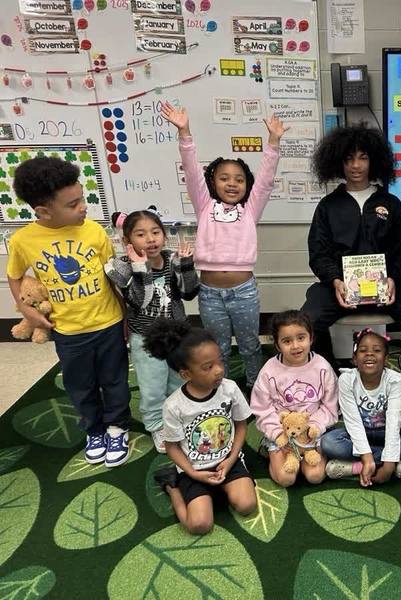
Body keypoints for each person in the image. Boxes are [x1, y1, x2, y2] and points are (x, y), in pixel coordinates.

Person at [301, 123, 401, 401]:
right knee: (308, 322)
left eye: (363, 158)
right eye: (349, 159)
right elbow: (318, 253)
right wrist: (335, 280)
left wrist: (394, 279)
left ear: (374, 161)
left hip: (387, 288)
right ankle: (329, 376)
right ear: (338, 162)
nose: (356, 165)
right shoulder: (328, 206)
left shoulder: (390, 203)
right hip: (340, 288)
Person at [6, 157, 131, 466]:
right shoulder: (23, 240)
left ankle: (117, 427)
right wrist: (27, 311)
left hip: (108, 323)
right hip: (68, 331)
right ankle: (94, 430)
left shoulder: (94, 232)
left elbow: (111, 276)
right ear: (44, 211)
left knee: (115, 380)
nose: (83, 208)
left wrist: (126, 316)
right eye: (73, 204)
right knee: (79, 385)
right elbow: (15, 276)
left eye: (82, 199)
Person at [160, 102, 288, 390]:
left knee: (250, 345)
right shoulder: (205, 206)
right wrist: (185, 133)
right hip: (210, 294)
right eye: (224, 178)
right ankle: (223, 390)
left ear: (246, 184)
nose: (232, 184)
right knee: (218, 348)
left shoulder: (250, 210)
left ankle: (256, 389)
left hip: (244, 292)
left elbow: (265, 181)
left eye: (239, 179)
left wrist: (273, 143)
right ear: (213, 182)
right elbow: (192, 172)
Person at [147, 318, 256, 535]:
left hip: (228, 461)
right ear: (186, 374)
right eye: (208, 367)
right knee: (199, 525)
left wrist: (231, 459)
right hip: (193, 469)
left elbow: (241, 425)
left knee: (247, 505)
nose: (219, 370)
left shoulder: (230, 389)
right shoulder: (174, 406)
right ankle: (172, 487)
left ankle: (219, 490)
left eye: (220, 361)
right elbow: (172, 447)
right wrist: (192, 473)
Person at [104, 210, 199, 452]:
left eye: (155, 232)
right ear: (127, 241)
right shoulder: (123, 267)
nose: (150, 239)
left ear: (164, 235)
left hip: (176, 335)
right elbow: (140, 300)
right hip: (145, 338)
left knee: (179, 378)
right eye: (141, 234)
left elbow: (188, 293)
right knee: (152, 385)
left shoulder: (170, 260)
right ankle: (157, 425)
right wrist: (141, 267)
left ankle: (179, 417)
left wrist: (186, 265)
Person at [322, 328, 401, 485]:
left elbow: (394, 421)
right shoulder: (346, 380)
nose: (369, 354)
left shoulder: (394, 380)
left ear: (386, 359)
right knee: (328, 442)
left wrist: (388, 463)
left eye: (377, 350)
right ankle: (385, 462)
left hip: (387, 432)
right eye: (363, 350)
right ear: (354, 359)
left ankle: (355, 466)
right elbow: (353, 422)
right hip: (359, 433)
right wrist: (367, 457)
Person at [249, 310, 338, 487]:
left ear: (311, 338)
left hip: (312, 432)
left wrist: (314, 428)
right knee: (286, 478)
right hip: (283, 433)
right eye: (287, 341)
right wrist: (277, 434)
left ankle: (308, 456)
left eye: (301, 338)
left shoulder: (322, 367)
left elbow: (330, 406)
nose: (295, 346)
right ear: (277, 344)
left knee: (315, 476)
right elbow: (262, 409)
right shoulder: (269, 370)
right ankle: (271, 452)